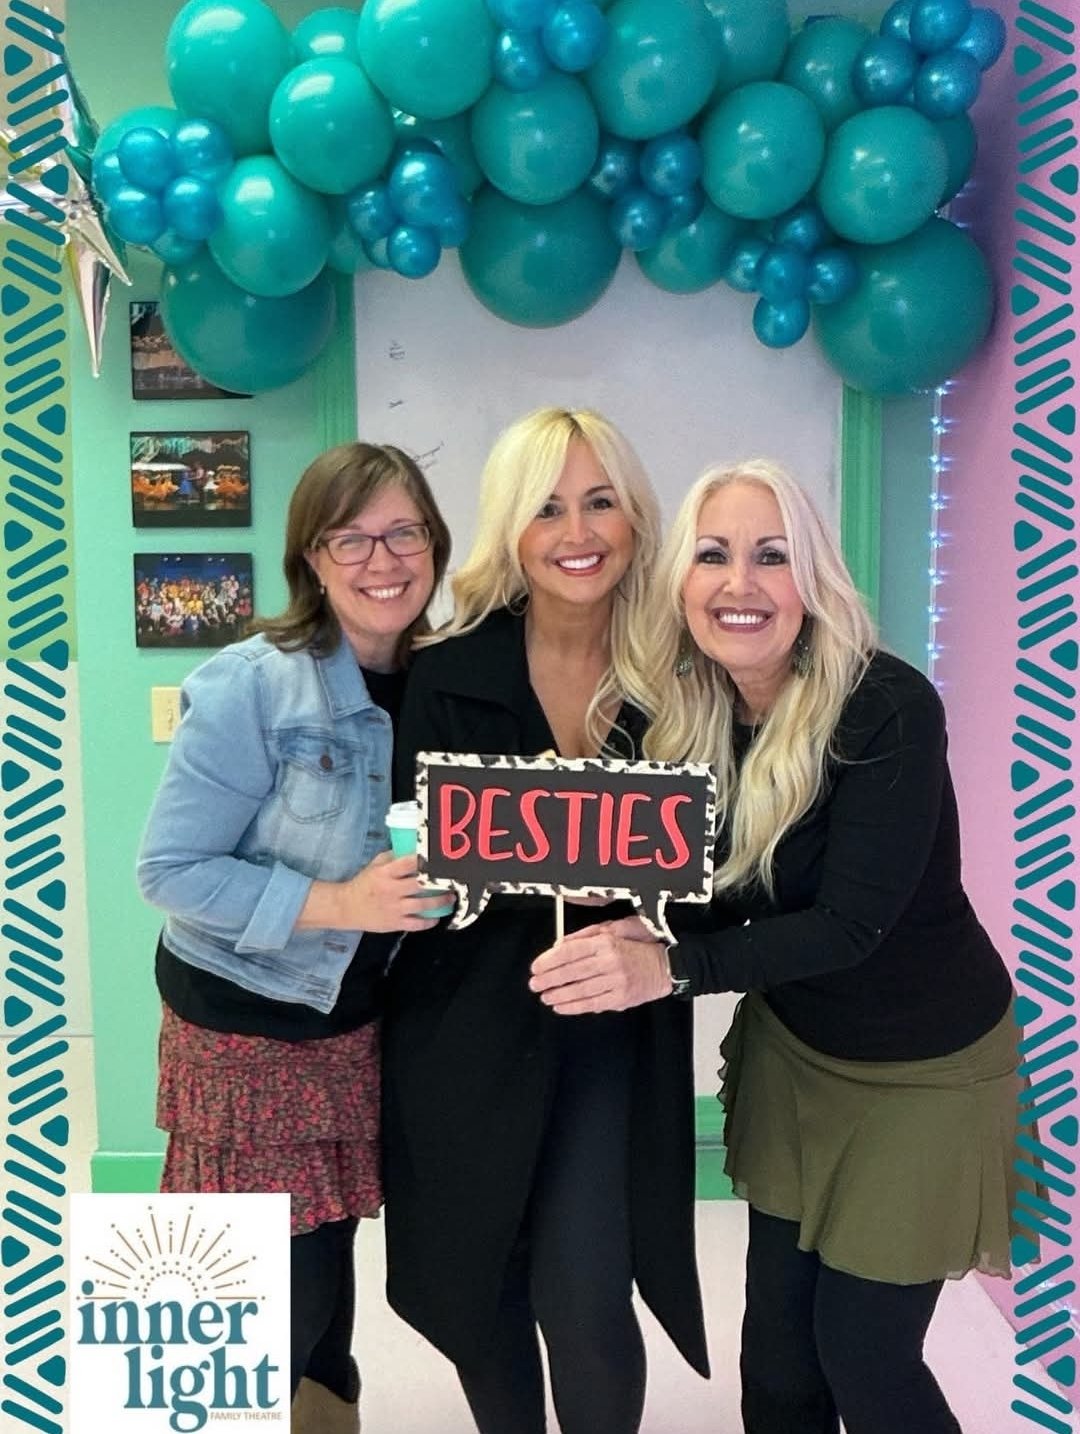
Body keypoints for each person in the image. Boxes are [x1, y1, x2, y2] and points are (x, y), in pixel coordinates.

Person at [530, 459, 1025, 1434]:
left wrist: (666, 964)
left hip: (926, 1069)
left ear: (813, 579)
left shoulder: (886, 706)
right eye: (713, 555)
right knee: (780, 1360)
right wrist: (593, 873)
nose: (739, 584)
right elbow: (679, 885)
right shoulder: (667, 712)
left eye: (771, 557)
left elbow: (850, 925)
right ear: (681, 579)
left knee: (866, 1357)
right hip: (799, 1059)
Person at [383, 408, 709, 1434]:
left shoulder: (685, 677)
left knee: (587, 1294)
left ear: (635, 516)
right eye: (550, 508)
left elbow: (725, 864)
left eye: (602, 500)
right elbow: (404, 855)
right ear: (513, 531)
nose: (580, 531)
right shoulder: (441, 671)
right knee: (481, 1292)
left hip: (609, 1036)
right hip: (463, 1029)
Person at [136, 442, 452, 1434]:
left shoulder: (450, 682)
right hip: (244, 1031)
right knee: (266, 1297)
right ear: (310, 558)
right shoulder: (252, 683)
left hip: (352, 1025)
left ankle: (324, 1417)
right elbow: (171, 872)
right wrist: (341, 905)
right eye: (347, 537)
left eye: (402, 531)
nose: (380, 558)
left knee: (323, 1290)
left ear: (435, 545)